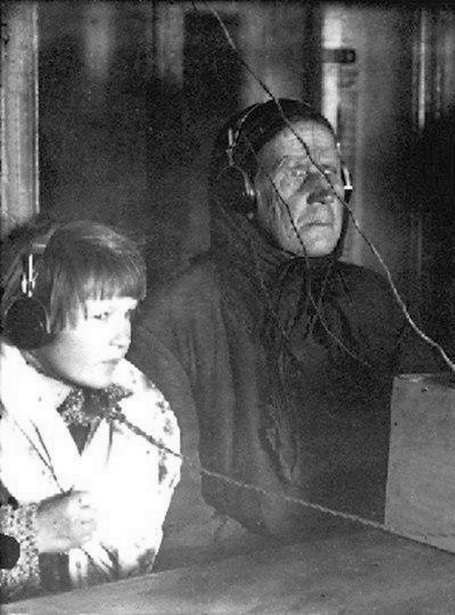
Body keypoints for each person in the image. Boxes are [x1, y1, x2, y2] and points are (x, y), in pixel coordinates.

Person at [128, 98, 439, 543]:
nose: (322, 191)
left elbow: (434, 448)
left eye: (330, 172)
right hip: (244, 571)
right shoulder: (174, 321)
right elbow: (176, 510)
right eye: (295, 172)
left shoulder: (371, 301)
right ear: (242, 194)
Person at [0, 217, 180, 602]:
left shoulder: (143, 408)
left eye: (127, 313)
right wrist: (31, 534)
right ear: (32, 320)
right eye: (101, 316)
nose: (122, 337)